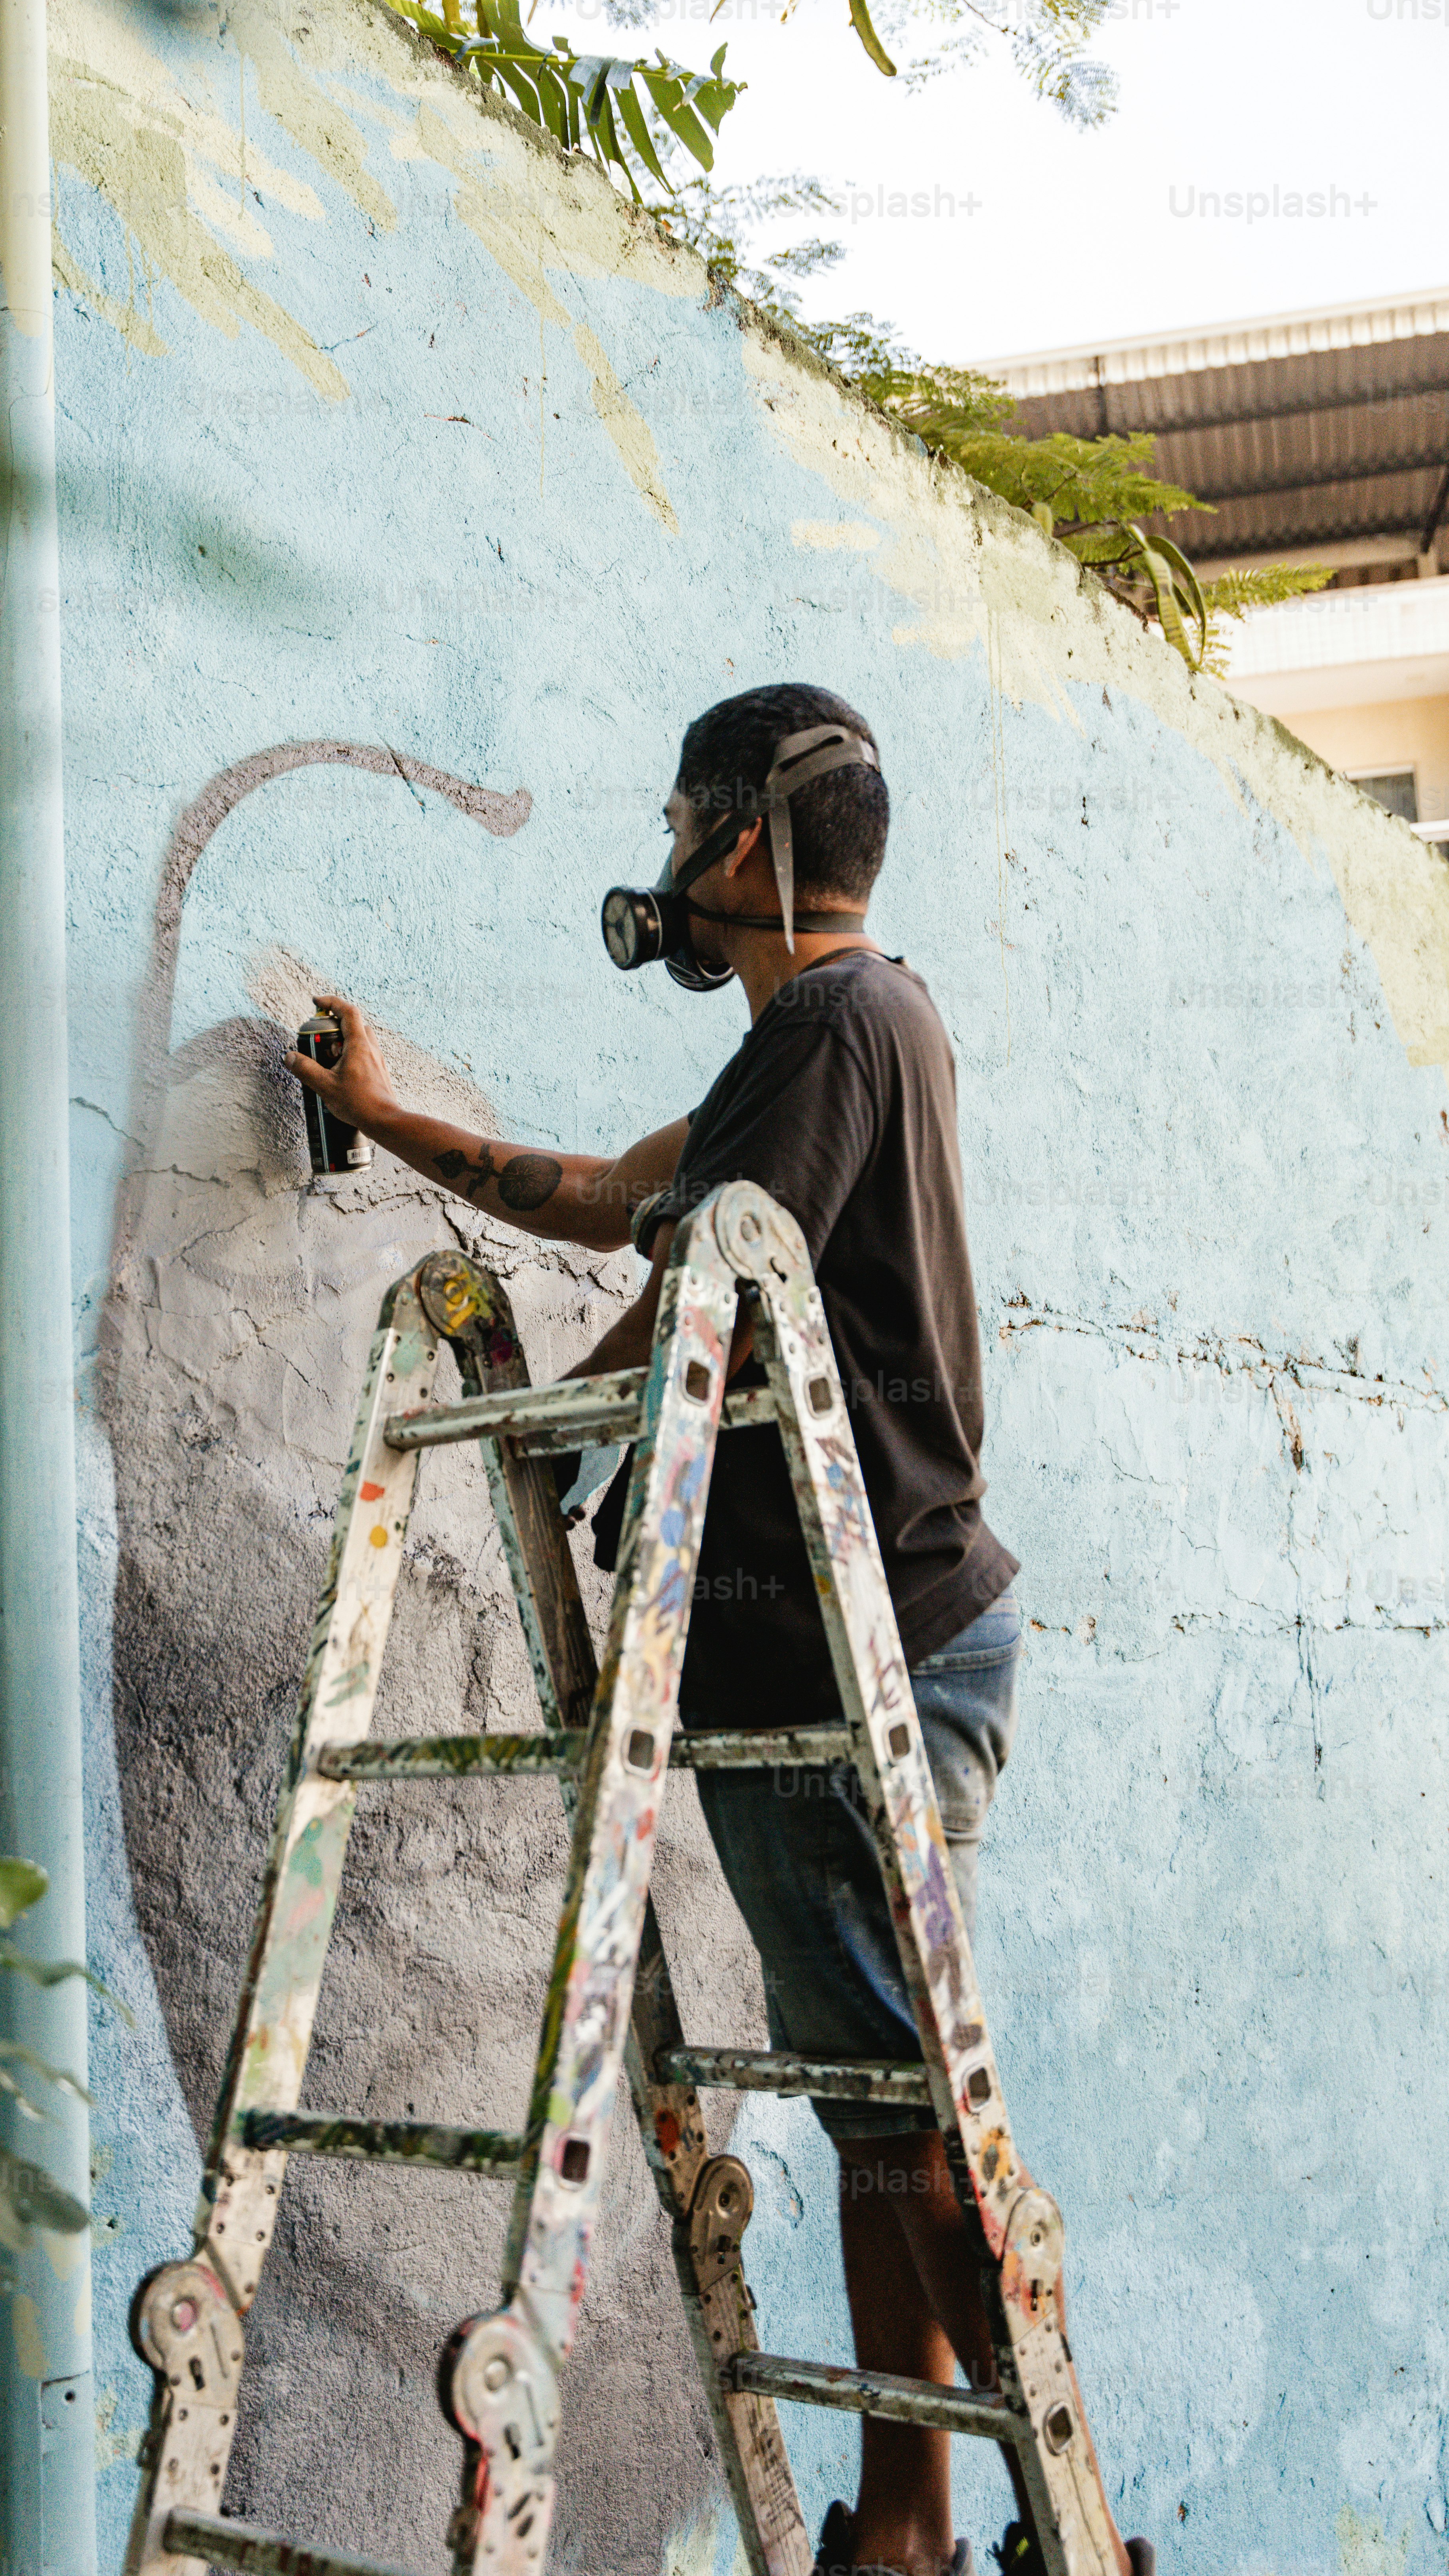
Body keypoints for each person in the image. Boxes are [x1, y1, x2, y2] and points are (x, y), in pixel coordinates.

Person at [284, 684, 1151, 2576]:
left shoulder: (846, 1017)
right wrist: (383, 1122)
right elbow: (616, 1203)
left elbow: (689, 1288)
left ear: (744, 839)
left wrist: (552, 1446)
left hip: (871, 1640)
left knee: (899, 2093)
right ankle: (910, 2521)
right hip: (836, 1642)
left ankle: (1063, 2503)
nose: (668, 863)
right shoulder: (815, 1035)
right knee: (870, 2094)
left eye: (686, 823)